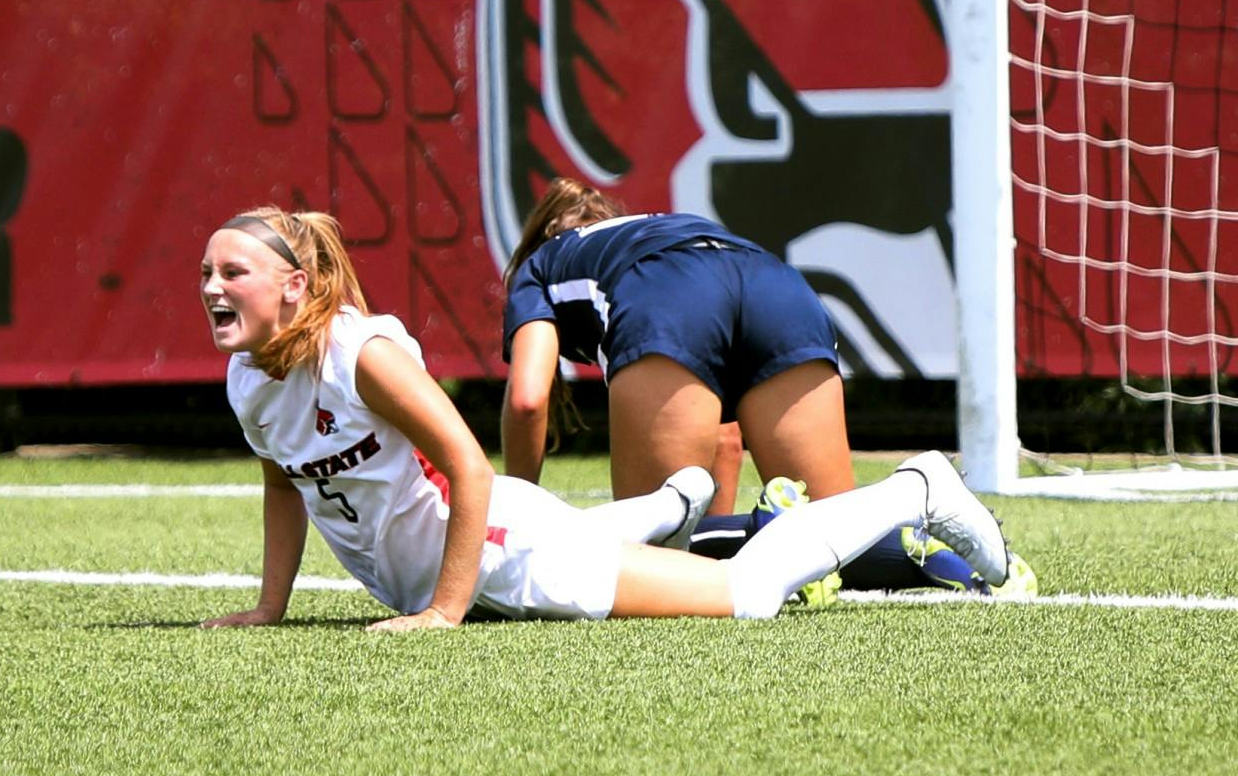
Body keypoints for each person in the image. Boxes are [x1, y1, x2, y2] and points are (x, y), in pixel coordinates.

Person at [197, 206, 1010, 630]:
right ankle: (675, 503)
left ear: (297, 285)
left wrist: (443, 612)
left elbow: (472, 468)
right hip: (471, 560)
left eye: (233, 270)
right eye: (205, 271)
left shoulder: (359, 352)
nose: (211, 286)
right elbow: (284, 483)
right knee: (613, 533)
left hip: (499, 551)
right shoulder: (249, 379)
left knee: (747, 593)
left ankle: (918, 488)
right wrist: (271, 606)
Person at [498, 178, 1035, 600]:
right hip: (774, 282)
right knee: (839, 541)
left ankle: (766, 526)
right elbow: (724, 441)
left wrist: (513, 521)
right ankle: (945, 540)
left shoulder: (540, 266)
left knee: (641, 561)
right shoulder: (658, 227)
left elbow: (527, 398)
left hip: (668, 295)